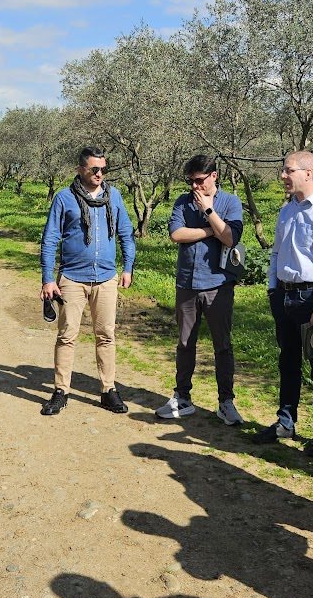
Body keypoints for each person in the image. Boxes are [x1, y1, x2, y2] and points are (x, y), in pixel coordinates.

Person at [253, 150, 313, 459]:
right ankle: (285, 422)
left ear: (308, 173)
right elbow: (277, 253)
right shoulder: (287, 210)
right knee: (287, 361)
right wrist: (272, 289)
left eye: (288, 170)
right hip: (284, 296)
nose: (283, 175)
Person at [39, 146, 136, 416]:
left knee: (106, 335)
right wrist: (48, 279)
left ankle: (108, 389)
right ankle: (61, 390)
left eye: (104, 169)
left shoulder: (113, 196)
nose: (100, 174)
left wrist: (127, 267)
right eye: (95, 169)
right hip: (72, 278)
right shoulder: (64, 198)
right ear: (80, 169)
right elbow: (50, 239)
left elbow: (126, 233)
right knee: (67, 336)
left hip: (105, 278)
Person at [155, 154, 245, 425]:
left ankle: (225, 402)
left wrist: (208, 211)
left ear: (214, 176)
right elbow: (176, 234)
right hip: (187, 283)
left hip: (219, 285)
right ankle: (182, 397)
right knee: (185, 343)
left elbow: (230, 237)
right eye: (190, 181)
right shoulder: (182, 202)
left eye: (199, 180)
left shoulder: (230, 202)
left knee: (223, 345)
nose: (194, 186)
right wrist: (210, 230)